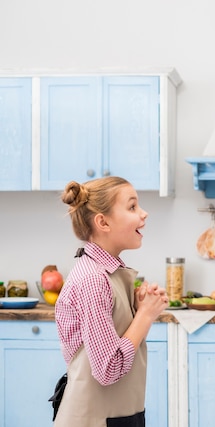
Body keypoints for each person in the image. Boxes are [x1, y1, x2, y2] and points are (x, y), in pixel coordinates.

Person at [53, 176, 169, 427]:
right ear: (103, 222)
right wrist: (145, 316)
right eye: (132, 207)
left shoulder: (106, 273)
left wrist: (137, 308)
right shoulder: (93, 279)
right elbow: (108, 369)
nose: (144, 214)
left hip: (117, 416)